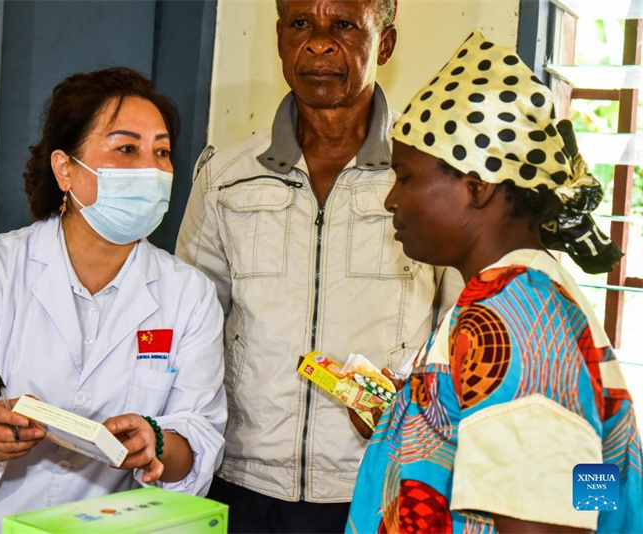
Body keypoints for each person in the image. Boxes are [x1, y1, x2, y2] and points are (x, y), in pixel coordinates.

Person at [0, 67, 227, 534]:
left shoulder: (188, 295)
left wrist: (156, 444)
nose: (151, 170)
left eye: (162, 152)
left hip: (107, 524)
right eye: (126, 148)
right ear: (66, 169)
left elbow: (198, 437)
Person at [176, 1, 459, 531]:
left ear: (386, 43)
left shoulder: (428, 179)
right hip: (242, 482)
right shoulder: (226, 179)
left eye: (345, 26)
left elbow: (461, 330)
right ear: (280, 38)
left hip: (381, 482)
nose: (320, 43)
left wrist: (411, 400)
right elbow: (191, 328)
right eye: (301, 24)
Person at [347, 30, 642, 533]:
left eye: (407, 176)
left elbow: (547, 524)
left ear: (477, 188)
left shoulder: (512, 320)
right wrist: (410, 423)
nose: (391, 200)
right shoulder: (528, 300)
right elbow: (592, 481)